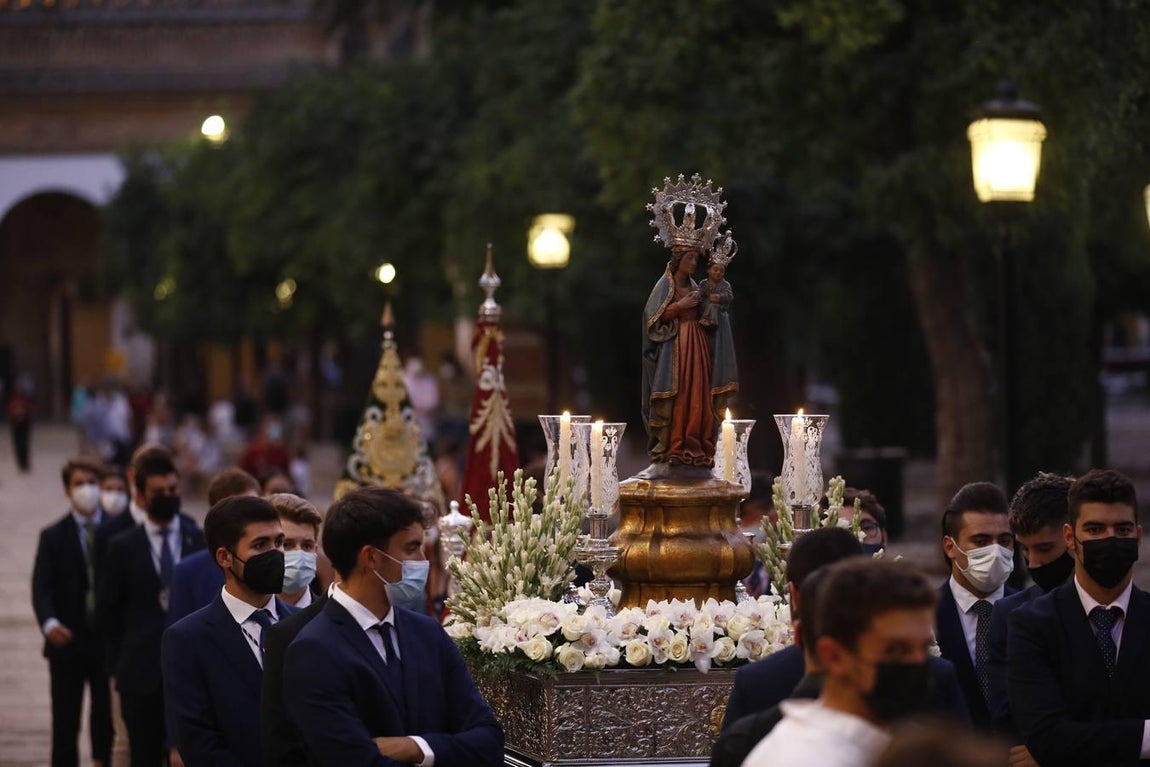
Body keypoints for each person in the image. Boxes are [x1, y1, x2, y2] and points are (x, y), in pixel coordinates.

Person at [283, 486, 504, 766]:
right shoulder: (314, 649)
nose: (423, 562)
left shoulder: (428, 633)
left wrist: (416, 747)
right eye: (411, 549)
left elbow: (489, 740)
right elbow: (352, 759)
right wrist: (450, 750)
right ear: (371, 558)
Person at [1008, 468, 1150, 767]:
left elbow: (1060, 744)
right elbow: (1047, 737)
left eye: (1122, 530)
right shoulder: (1032, 625)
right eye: (1095, 529)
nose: (1110, 539)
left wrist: (1076, 742)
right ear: (1070, 538)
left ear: (1138, 536)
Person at [742, 558, 939, 767]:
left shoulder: (892, 742)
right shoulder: (801, 759)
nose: (918, 663)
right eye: (896, 650)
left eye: (924, 648)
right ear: (833, 657)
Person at [162, 496, 296, 767]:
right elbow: (198, 743)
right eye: (260, 545)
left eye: (279, 542)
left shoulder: (307, 625)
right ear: (224, 557)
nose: (276, 553)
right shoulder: (188, 639)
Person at [97, 446, 205, 767]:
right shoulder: (122, 547)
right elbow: (106, 612)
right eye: (159, 492)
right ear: (141, 496)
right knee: (142, 754)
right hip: (139, 672)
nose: (168, 496)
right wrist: (120, 665)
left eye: (172, 489)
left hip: (186, 673)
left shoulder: (195, 538)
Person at [32, 458, 113, 767]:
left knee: (106, 721)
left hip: (107, 643)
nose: (87, 490)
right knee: (65, 723)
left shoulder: (119, 533)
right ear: (67, 489)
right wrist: (50, 623)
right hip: (67, 640)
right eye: (80, 483)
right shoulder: (53, 536)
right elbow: (42, 586)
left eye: (93, 483)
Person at [986, 472, 1074, 739]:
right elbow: (1007, 713)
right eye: (1024, 550)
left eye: (1045, 548)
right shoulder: (1010, 614)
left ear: (1073, 535)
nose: (1033, 562)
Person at [936, 481, 1017, 728]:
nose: (995, 551)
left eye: (1004, 541)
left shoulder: (1033, 611)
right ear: (951, 547)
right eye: (981, 541)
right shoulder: (925, 617)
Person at [167, 467, 262, 625]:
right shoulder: (188, 573)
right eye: (237, 512)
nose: (248, 518)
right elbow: (178, 638)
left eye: (255, 507)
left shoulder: (274, 563)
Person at [267, 492, 322, 608]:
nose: (299, 553)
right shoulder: (247, 617)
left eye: (307, 546)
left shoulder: (331, 617)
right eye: (286, 545)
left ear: (316, 550)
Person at [7, 375, 33, 472]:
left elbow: (29, 409)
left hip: (25, 424)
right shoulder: (12, 399)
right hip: (15, 424)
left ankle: (25, 462)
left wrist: (23, 414)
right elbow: (9, 410)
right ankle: (20, 463)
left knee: (25, 443)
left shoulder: (25, 399)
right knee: (18, 444)